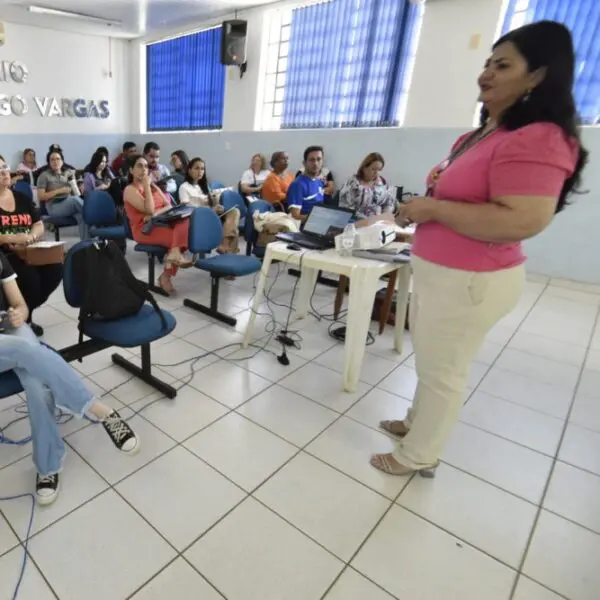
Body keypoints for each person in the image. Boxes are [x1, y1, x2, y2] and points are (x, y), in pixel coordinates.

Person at [370, 21, 587, 477]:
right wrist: (425, 211)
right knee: (431, 359)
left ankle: (418, 455)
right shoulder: (481, 133)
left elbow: (524, 219)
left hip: (471, 278)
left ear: (537, 77)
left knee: (443, 370)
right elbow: (458, 197)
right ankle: (413, 423)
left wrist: (433, 209)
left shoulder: (539, 136)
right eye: (487, 62)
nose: (485, 73)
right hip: (443, 272)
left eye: (502, 65)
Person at [0, 250, 139, 504]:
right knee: (28, 350)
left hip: (9, 331)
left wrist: (19, 313)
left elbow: (20, 304)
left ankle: (48, 466)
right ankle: (99, 410)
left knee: (37, 384)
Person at [0, 156, 62, 337]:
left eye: (4, 167)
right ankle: (22, 319)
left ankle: (24, 315)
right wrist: (9, 237)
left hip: (31, 249)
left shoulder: (21, 197)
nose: (4, 172)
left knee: (56, 269)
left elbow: (38, 224)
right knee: (31, 280)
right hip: (6, 255)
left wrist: (29, 237)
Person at [124, 154, 192, 294]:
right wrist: (147, 187)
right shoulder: (130, 190)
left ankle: (168, 267)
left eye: (146, 166)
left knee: (185, 223)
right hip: (144, 230)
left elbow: (168, 205)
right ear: (131, 170)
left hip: (159, 222)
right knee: (179, 239)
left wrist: (154, 214)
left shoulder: (153, 185)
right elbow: (148, 208)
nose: (144, 169)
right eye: (140, 166)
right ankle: (166, 275)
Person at [179, 157, 240, 254]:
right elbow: (186, 209)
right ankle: (228, 249)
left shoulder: (204, 186)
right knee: (234, 229)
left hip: (212, 214)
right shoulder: (184, 187)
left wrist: (217, 206)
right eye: (197, 168)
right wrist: (210, 210)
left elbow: (211, 204)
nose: (200, 171)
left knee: (234, 212)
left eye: (202, 169)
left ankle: (225, 244)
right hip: (198, 217)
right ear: (189, 170)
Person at [36, 150, 89, 241]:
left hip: (69, 203)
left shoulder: (67, 173)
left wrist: (77, 184)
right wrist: (60, 191)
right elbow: (41, 196)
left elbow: (77, 190)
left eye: (58, 159)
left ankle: (87, 245)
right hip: (54, 206)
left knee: (83, 216)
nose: (55, 161)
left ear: (62, 161)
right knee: (75, 200)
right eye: (52, 160)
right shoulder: (44, 175)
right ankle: (95, 214)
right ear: (49, 162)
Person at [339, 152, 395, 219]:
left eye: (379, 170)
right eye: (373, 169)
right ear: (364, 168)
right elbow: (345, 209)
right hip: (357, 223)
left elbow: (389, 202)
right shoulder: (352, 184)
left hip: (378, 223)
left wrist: (384, 217)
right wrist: (369, 221)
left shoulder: (381, 183)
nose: (376, 173)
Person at [287, 146, 326, 223]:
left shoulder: (319, 182)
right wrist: (319, 219)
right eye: (311, 160)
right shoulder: (298, 185)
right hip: (304, 227)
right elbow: (295, 217)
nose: (315, 163)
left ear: (322, 162)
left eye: (319, 159)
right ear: (304, 163)